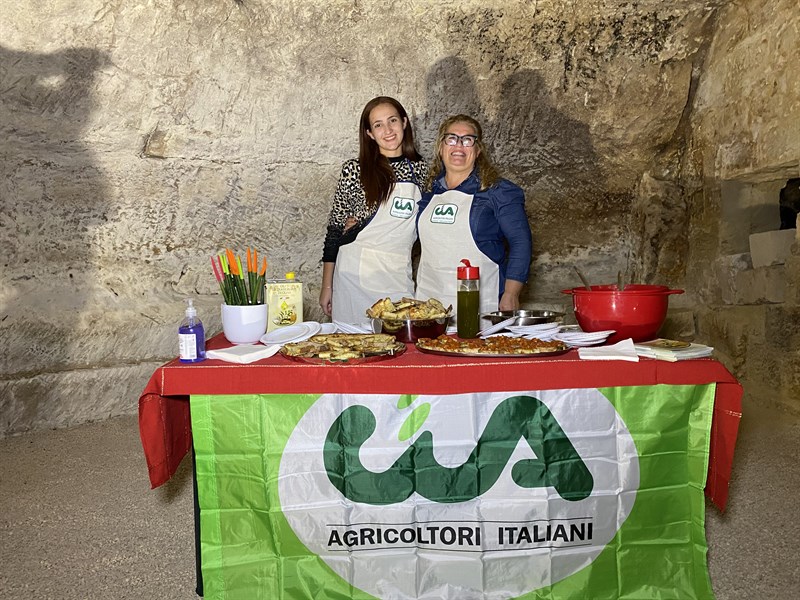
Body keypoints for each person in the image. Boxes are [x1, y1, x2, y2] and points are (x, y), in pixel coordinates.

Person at [319, 97, 428, 323]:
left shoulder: (424, 170)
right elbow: (335, 230)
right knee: (352, 350)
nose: (387, 130)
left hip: (398, 273)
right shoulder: (354, 170)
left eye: (392, 121)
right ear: (369, 133)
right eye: (378, 125)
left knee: (399, 347)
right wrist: (326, 286)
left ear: (405, 122)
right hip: (353, 278)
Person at [416, 114, 532, 316]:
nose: (459, 146)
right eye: (451, 138)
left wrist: (512, 292)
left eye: (467, 140)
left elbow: (521, 242)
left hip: (480, 301)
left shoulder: (499, 191)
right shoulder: (428, 192)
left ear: (478, 150)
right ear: (441, 147)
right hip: (429, 301)